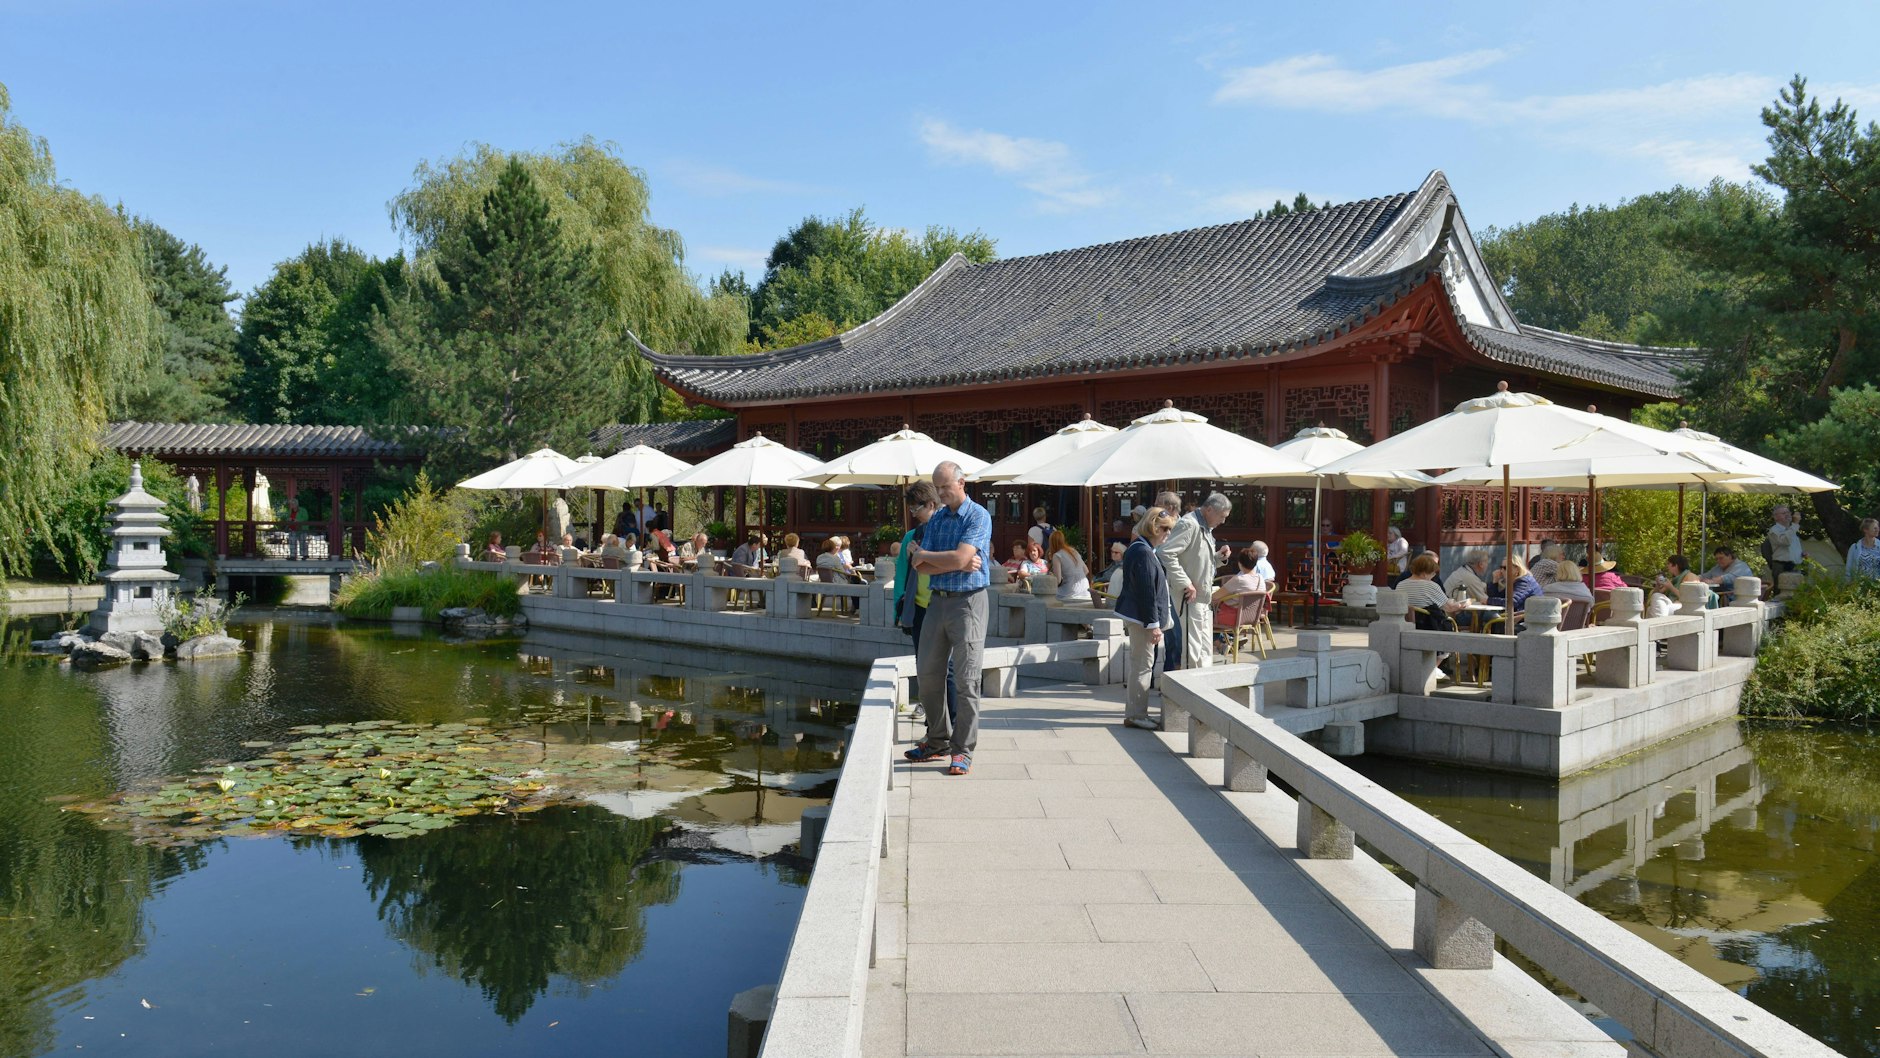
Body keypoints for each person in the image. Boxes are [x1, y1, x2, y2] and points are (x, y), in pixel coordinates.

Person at [904, 462, 991, 776]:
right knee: (927, 675)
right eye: (937, 487)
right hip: (937, 603)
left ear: (961, 483)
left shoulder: (978, 515)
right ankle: (937, 739)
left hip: (968, 602)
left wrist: (942, 558)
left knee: (967, 680)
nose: (940, 493)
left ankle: (963, 750)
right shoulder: (937, 518)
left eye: (945, 486)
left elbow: (960, 557)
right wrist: (952, 560)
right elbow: (919, 564)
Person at [893, 481, 955, 724]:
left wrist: (923, 555)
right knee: (924, 667)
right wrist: (899, 606)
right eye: (911, 510)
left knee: (946, 670)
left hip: (942, 605)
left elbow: (952, 564)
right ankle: (933, 723)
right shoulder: (912, 535)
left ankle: (952, 723)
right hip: (918, 608)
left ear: (931, 504)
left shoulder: (947, 531)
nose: (914, 515)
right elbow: (901, 576)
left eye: (916, 509)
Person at [1115, 508, 1175, 730]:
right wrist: (1153, 625)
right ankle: (1136, 714)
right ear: (1153, 527)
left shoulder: (1143, 549)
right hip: (1142, 619)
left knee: (1142, 664)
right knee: (1142, 665)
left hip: (1142, 618)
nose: (1168, 533)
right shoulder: (1142, 551)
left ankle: (1136, 713)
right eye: (1165, 528)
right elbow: (1147, 592)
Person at [1159, 491, 1231, 669]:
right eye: (1221, 516)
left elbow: (1198, 559)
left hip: (1202, 597)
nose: (1223, 521)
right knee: (1192, 648)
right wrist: (1185, 583)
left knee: (1204, 647)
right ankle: (1189, 690)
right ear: (1208, 509)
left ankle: (1203, 686)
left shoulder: (1204, 526)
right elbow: (1165, 553)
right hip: (1189, 596)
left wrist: (1218, 558)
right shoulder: (1189, 524)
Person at [1210, 546, 1268, 633]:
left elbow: (1214, 596)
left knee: (1207, 614)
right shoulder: (1260, 578)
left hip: (1233, 617)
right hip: (1252, 617)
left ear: (1240, 563)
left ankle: (1219, 642)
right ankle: (1226, 640)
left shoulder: (1239, 579)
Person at [1397, 553, 1467, 624]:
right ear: (1424, 573)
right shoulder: (1431, 586)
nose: (1433, 576)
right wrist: (1461, 605)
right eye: (1433, 573)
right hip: (1427, 626)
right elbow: (1449, 608)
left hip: (1405, 624)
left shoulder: (1400, 585)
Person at [1488, 555, 1541, 623]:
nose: (1501, 571)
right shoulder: (1514, 582)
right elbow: (1499, 597)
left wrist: (1488, 601)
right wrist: (1495, 581)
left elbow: (1512, 602)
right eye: (1501, 567)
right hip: (1520, 617)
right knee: (1491, 618)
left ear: (1517, 569)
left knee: (1493, 620)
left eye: (1505, 568)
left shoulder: (1524, 582)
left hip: (1528, 621)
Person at [1763, 505, 1804, 582]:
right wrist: (1795, 524)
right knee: (1782, 592)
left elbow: (1790, 549)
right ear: (1775, 517)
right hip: (1782, 566)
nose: (1787, 514)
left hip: (1796, 566)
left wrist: (1801, 553)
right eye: (1784, 513)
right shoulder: (1774, 530)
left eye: (1788, 512)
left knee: (1796, 592)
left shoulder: (1791, 530)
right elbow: (1785, 542)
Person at [1048, 530, 1090, 602]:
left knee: (1048, 597)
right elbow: (1086, 570)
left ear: (1051, 543)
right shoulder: (1073, 551)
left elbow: (1057, 580)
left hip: (1070, 592)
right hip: (1085, 590)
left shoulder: (1057, 555)